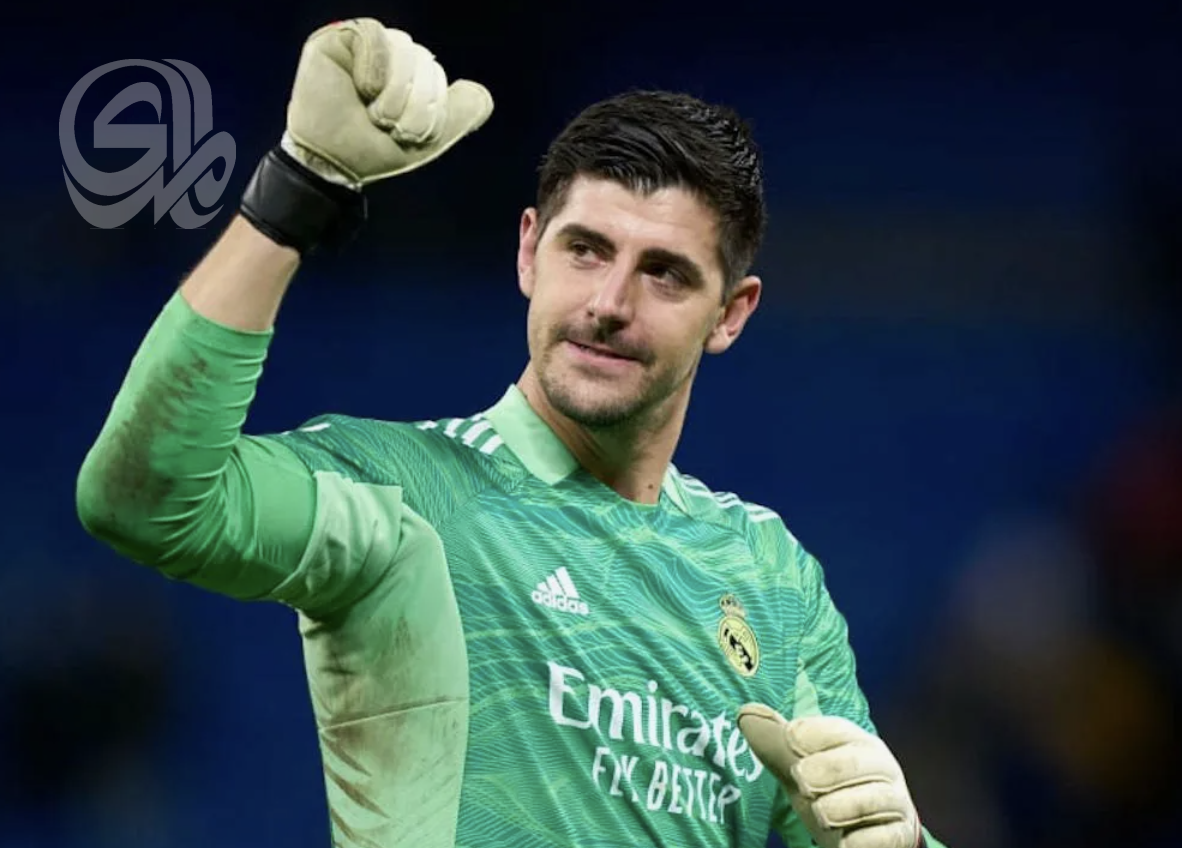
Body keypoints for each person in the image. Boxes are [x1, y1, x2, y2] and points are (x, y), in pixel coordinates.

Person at [75, 17, 948, 848]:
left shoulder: (771, 574)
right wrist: (299, 187)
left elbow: (856, 828)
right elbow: (140, 501)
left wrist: (903, 837)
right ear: (529, 250)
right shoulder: (406, 497)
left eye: (665, 274)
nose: (609, 303)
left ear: (731, 313)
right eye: (585, 249)